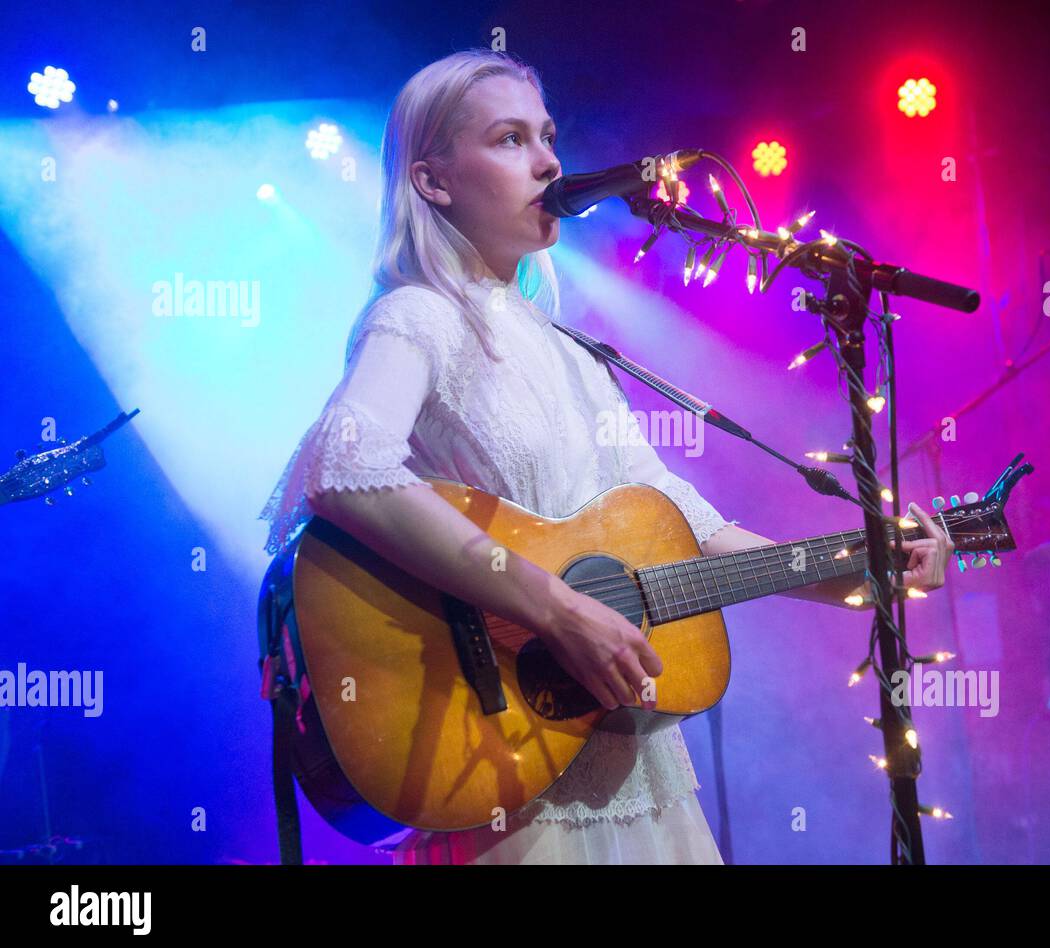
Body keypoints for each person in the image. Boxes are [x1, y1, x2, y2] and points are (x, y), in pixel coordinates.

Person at [258, 49, 955, 865]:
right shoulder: (418, 317)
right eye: (510, 139)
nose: (551, 161)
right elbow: (344, 465)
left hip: (633, 758)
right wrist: (554, 607)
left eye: (548, 135)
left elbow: (688, 524)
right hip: (499, 758)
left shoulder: (572, 349)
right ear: (432, 181)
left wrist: (865, 570)